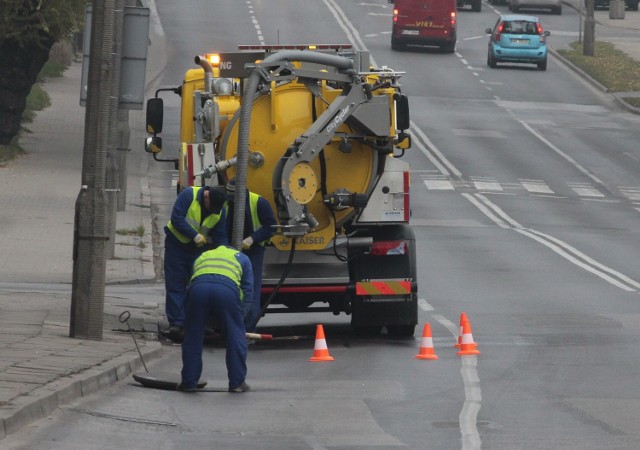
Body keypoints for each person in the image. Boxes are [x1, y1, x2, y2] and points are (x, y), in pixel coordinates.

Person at [178, 245, 253, 393]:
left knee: (192, 336)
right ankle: (237, 383)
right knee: (235, 337)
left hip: (198, 289)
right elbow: (248, 291)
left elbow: (190, 282)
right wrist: (240, 318)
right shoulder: (243, 259)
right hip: (226, 290)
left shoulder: (204, 255)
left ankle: (189, 383)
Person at [164, 185, 228, 339]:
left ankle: (199, 322)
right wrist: (195, 236)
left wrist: (224, 252)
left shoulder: (219, 210)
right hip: (176, 245)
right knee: (176, 282)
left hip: (197, 250)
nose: (213, 211)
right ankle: (177, 323)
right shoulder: (189, 195)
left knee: (199, 285)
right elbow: (177, 219)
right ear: (206, 197)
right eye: (211, 208)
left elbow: (220, 234)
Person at [224, 178, 276, 332]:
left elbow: (270, 227)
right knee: (229, 288)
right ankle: (228, 326)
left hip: (253, 252)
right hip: (230, 251)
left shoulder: (259, 203)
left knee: (250, 291)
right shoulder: (226, 204)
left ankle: (247, 329)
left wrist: (253, 238)